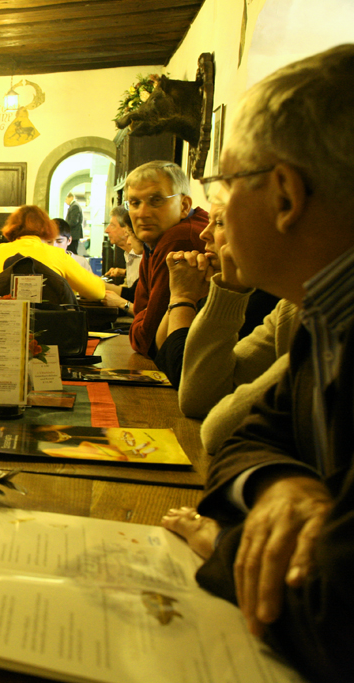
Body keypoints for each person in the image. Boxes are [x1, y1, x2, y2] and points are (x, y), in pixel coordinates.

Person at [161, 45, 354, 683]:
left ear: (285, 195)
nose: (209, 220)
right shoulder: (324, 311)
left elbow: (336, 616)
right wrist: (280, 483)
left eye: (223, 186)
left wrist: (224, 543)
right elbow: (249, 434)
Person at [152, 184, 283, 390]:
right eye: (209, 221)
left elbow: (183, 373)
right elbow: (161, 348)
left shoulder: (264, 298)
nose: (204, 233)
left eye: (220, 223)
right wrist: (182, 294)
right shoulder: (222, 283)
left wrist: (182, 297)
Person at [125, 161, 209, 358]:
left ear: (184, 205)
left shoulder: (180, 238)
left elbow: (145, 340)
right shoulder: (157, 238)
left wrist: (140, 324)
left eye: (156, 200)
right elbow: (141, 310)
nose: (142, 214)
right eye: (134, 203)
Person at [0, 205, 106, 300]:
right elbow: (98, 292)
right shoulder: (57, 254)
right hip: (50, 322)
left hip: (2, 320)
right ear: (47, 227)